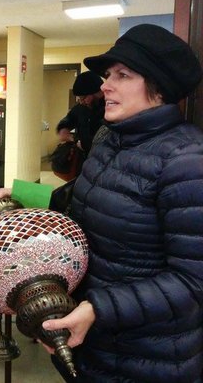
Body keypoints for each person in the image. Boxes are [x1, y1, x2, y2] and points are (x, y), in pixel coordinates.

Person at [41, 24, 203, 382]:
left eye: (123, 75)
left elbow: (193, 281)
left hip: (148, 356)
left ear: (159, 88)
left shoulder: (187, 160)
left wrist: (98, 308)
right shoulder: (109, 143)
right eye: (107, 75)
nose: (105, 85)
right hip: (93, 346)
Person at [51, 71, 104, 181]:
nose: (81, 101)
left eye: (83, 98)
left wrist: (84, 144)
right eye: (79, 98)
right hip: (82, 164)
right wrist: (63, 128)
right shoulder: (81, 108)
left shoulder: (111, 108)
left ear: (98, 92)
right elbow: (68, 119)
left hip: (103, 166)